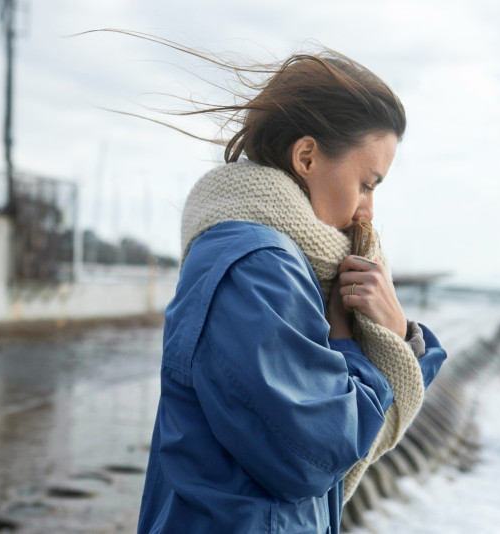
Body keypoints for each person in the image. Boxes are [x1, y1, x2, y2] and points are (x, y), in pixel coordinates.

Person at [134, 41, 447, 534]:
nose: (367, 211)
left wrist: (396, 333)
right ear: (306, 157)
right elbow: (312, 455)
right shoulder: (257, 266)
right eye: (366, 184)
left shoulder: (272, 259)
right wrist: (359, 344)